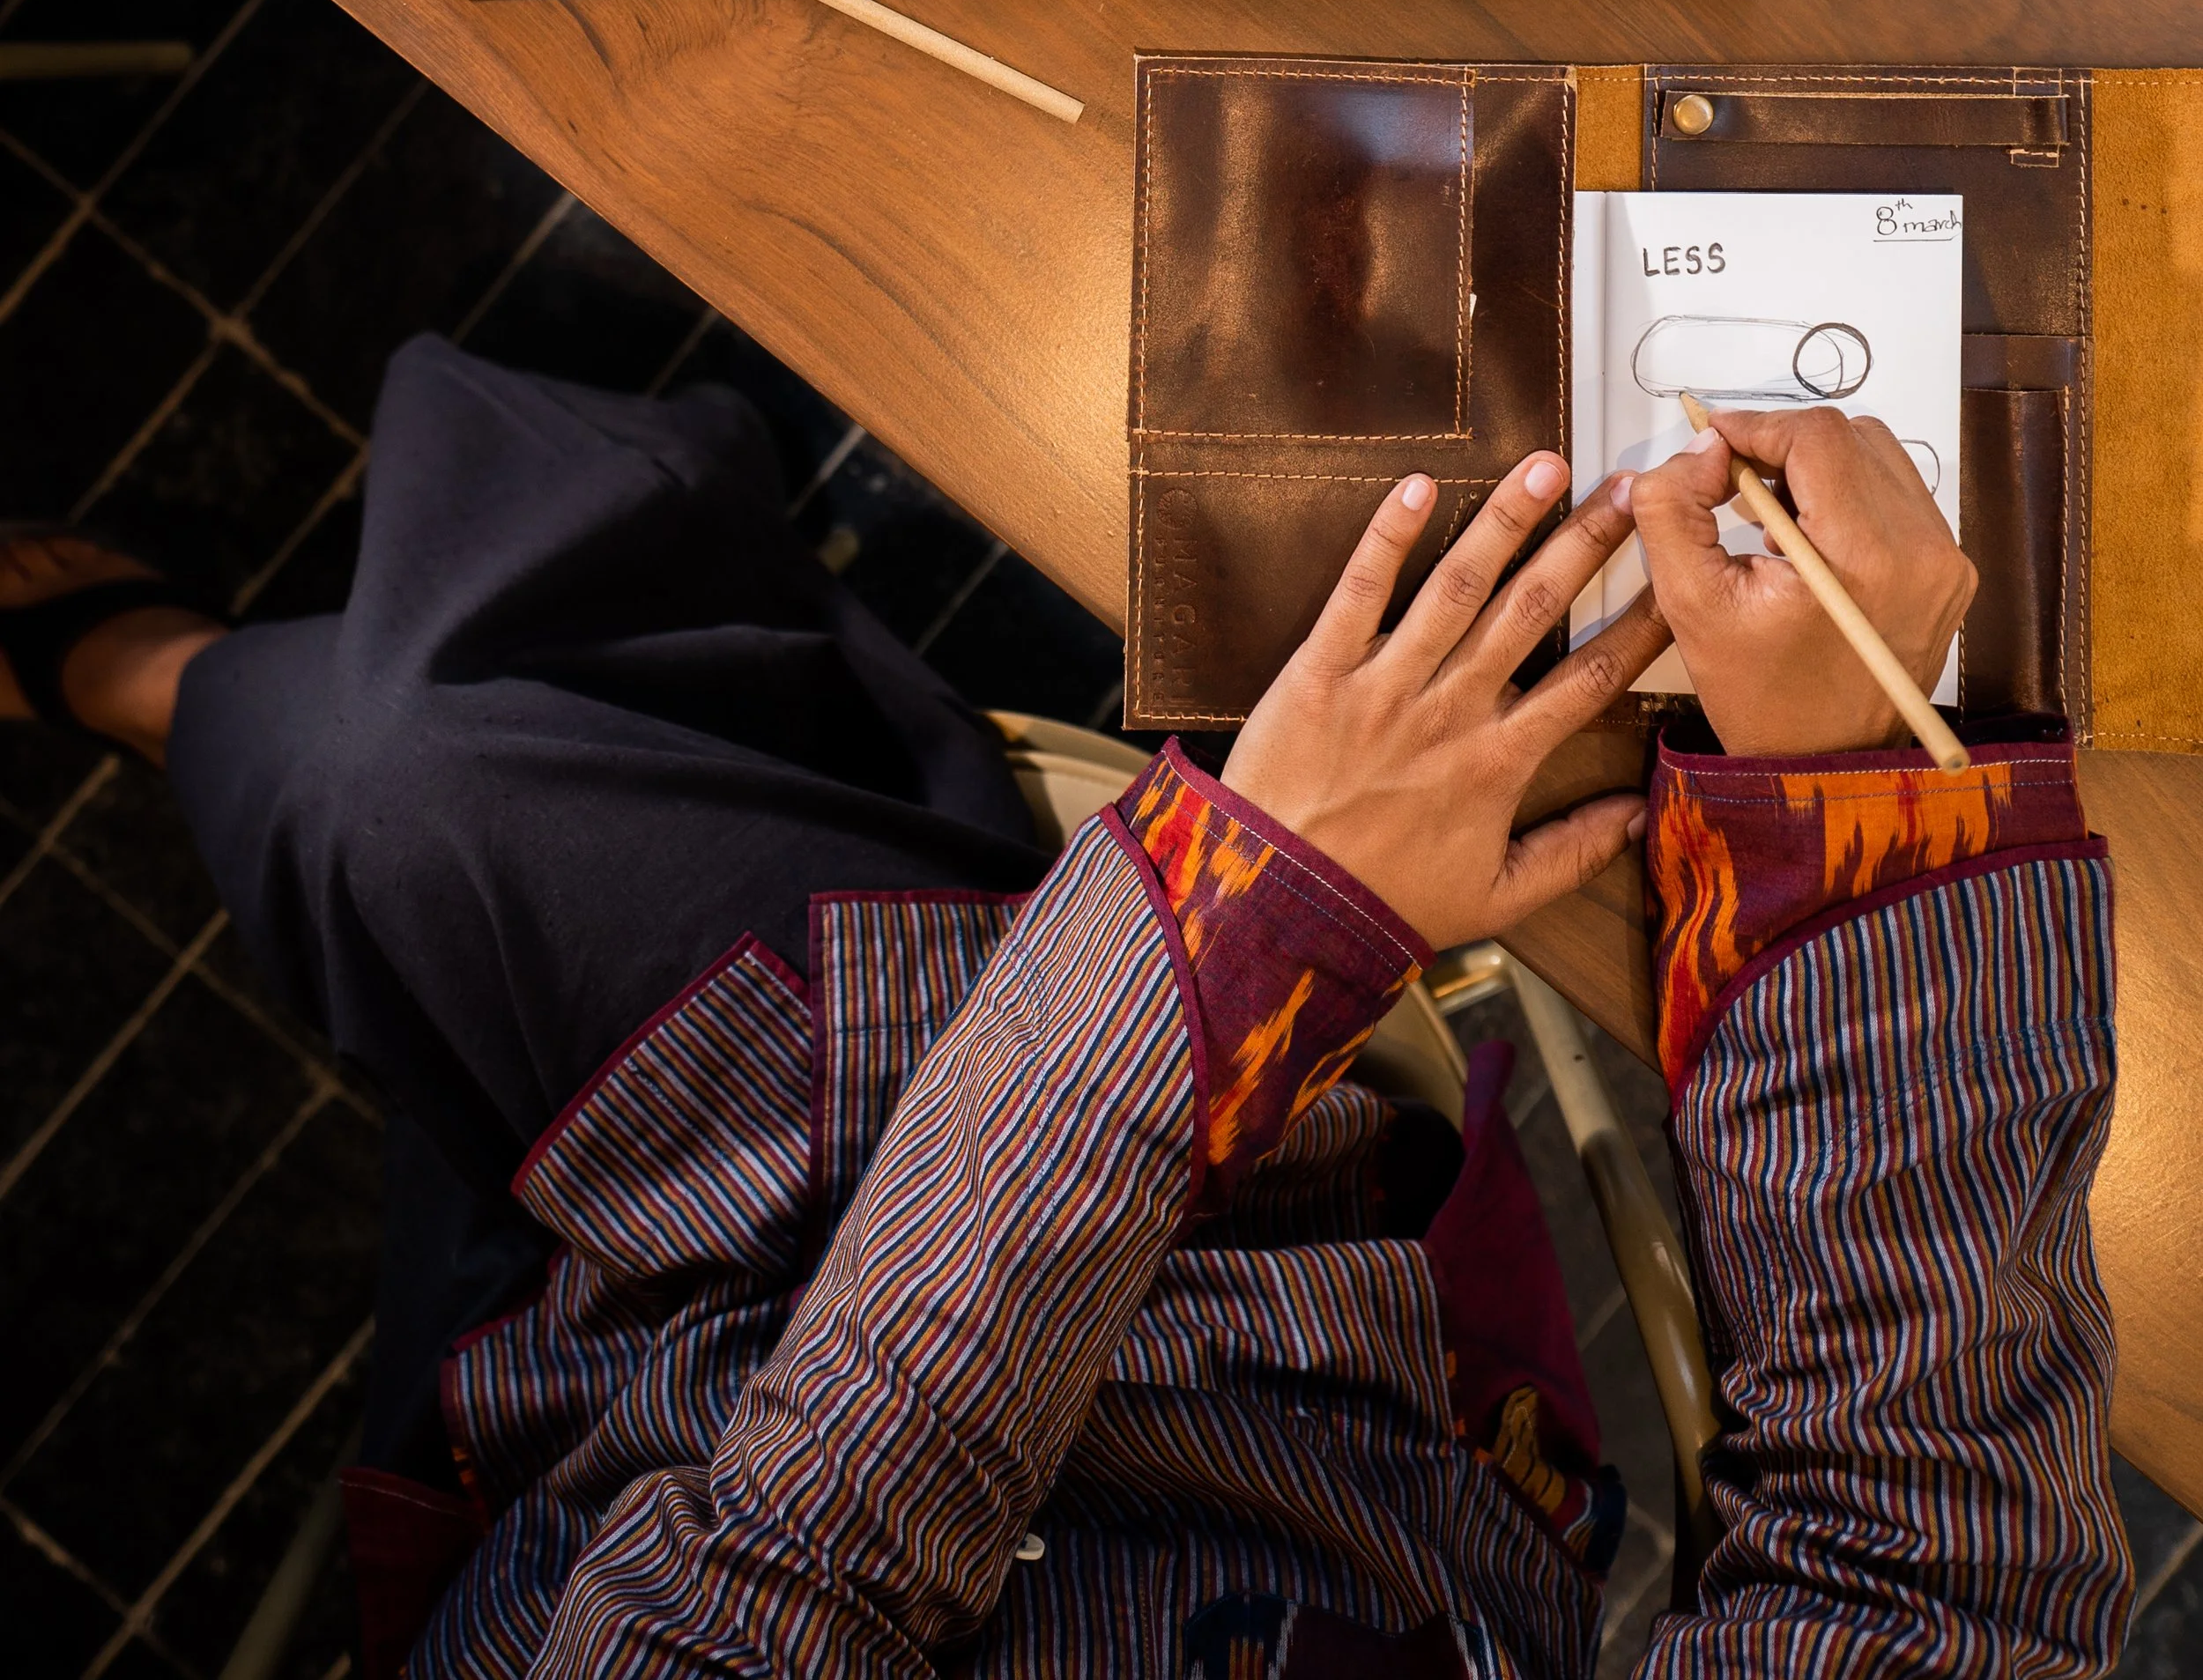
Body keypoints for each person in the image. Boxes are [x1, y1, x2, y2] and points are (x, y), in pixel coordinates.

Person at [0, 334, 2129, 1676]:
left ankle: (147, 668)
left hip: (719, 1360)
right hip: (1276, 1312)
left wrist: (1229, 926)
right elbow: (1919, 1596)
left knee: (393, 772)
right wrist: (1860, 820)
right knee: (436, 789)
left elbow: (785, 1555)